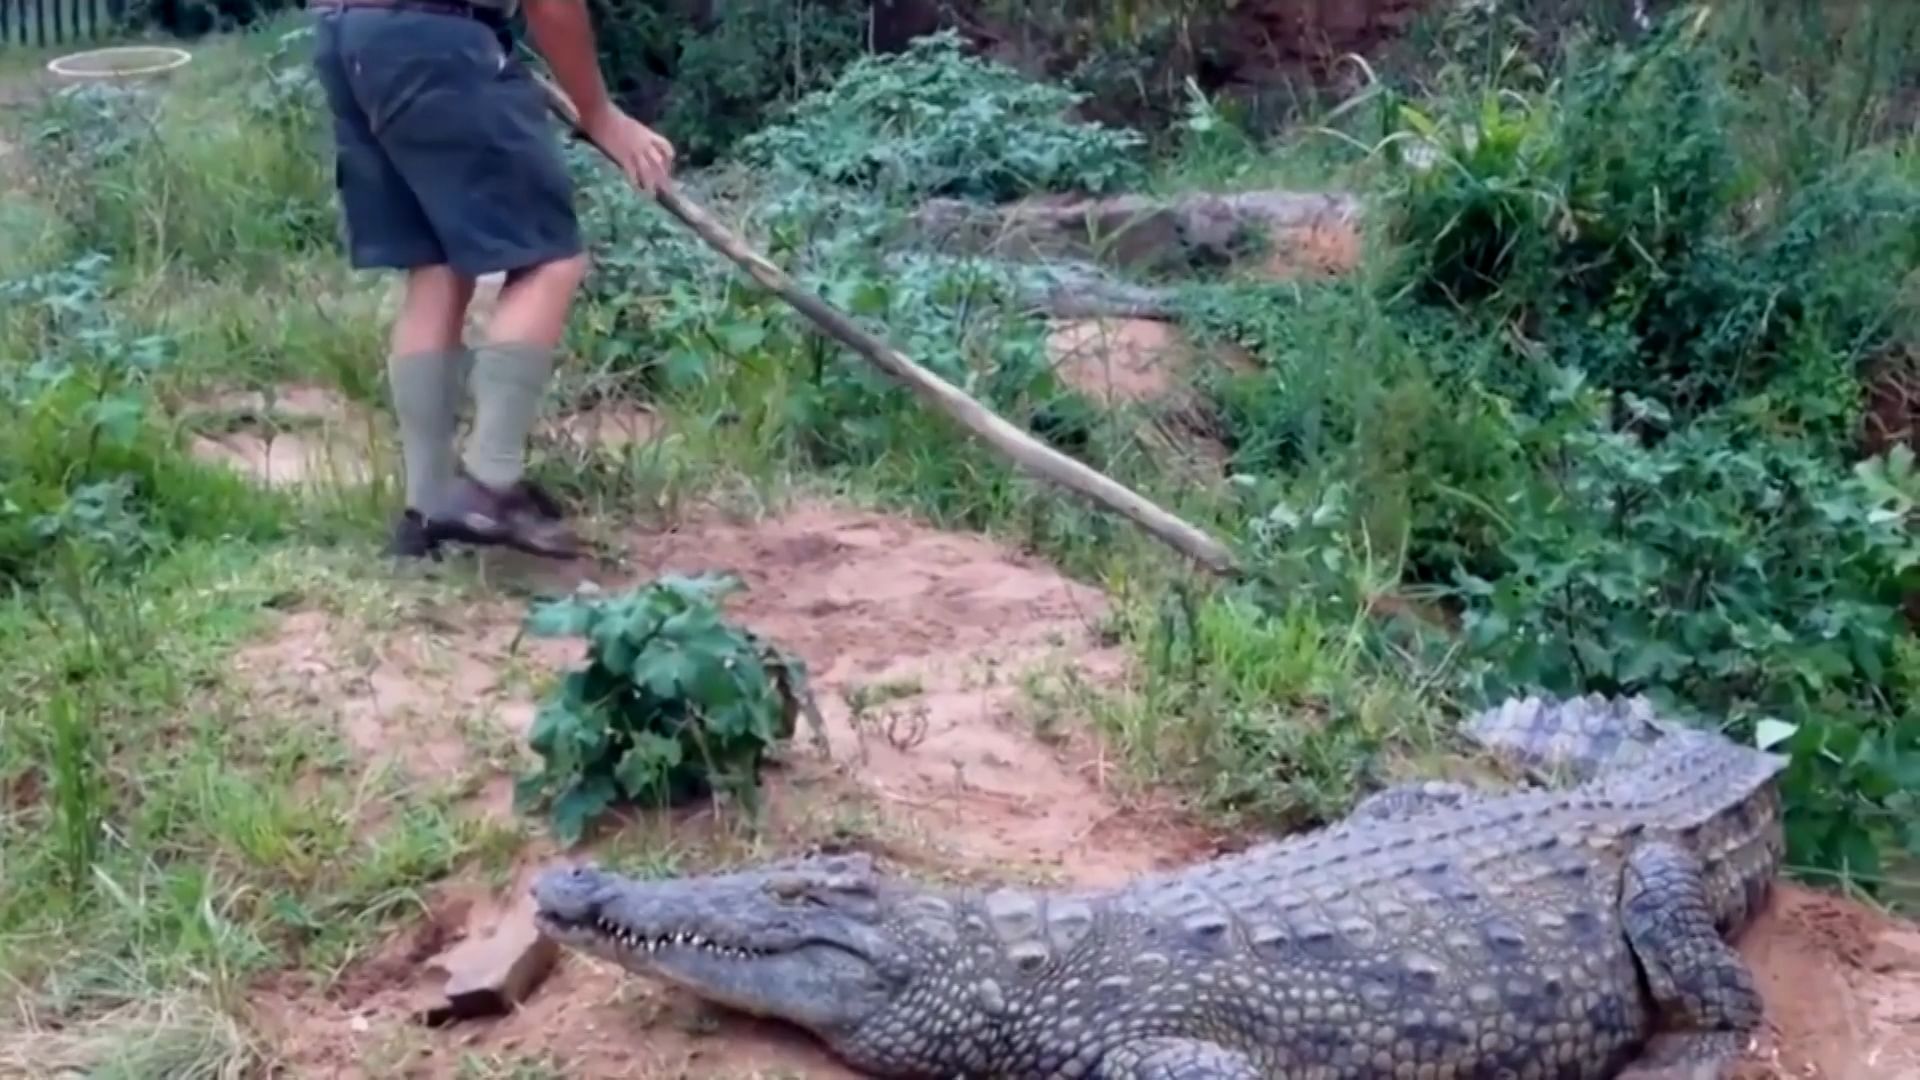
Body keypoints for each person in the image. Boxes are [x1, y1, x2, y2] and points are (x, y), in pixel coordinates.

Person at [308, 0, 674, 560]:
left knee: (437, 267)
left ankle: (425, 513)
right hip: (435, 38)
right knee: (549, 258)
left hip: (347, 36)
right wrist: (598, 113)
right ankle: (488, 486)